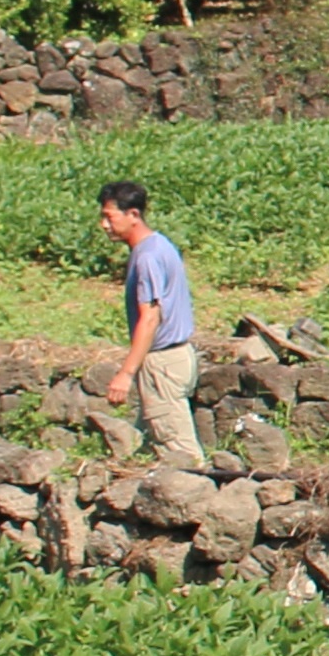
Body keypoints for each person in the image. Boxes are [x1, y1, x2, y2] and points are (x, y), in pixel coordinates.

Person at [95, 180, 199, 469]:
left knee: (181, 453)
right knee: (149, 441)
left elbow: (150, 317)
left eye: (109, 217)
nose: (104, 225)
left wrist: (126, 373)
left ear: (133, 215)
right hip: (174, 358)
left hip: (162, 362)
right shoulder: (159, 245)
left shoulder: (148, 257)